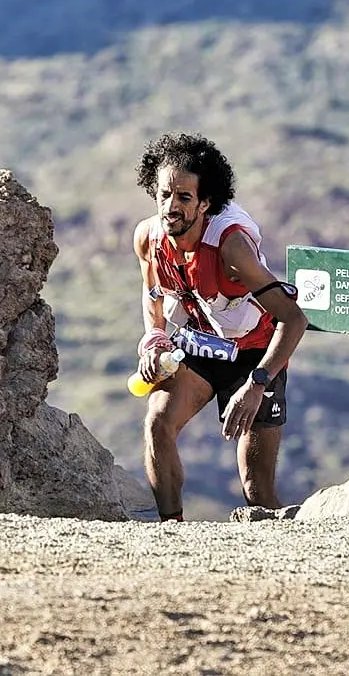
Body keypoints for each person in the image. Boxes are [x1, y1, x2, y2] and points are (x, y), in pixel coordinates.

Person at [132, 131, 308, 522]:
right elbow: (153, 295)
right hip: (202, 345)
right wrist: (156, 339)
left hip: (257, 355)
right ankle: (171, 532)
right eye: (163, 195)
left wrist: (257, 385)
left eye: (184, 198)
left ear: (206, 202)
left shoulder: (231, 248)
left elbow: (294, 319)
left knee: (256, 490)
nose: (170, 207)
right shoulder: (149, 238)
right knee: (158, 423)